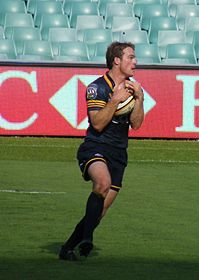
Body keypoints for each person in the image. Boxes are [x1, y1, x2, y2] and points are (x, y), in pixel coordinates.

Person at [59, 41, 144, 261]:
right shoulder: (97, 87)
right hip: (95, 146)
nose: (135, 62)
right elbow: (97, 124)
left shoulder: (132, 88)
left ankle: (68, 248)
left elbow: (136, 124)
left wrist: (139, 99)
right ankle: (87, 239)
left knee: (100, 211)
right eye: (131, 57)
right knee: (102, 184)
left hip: (119, 153)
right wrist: (114, 101)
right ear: (117, 60)